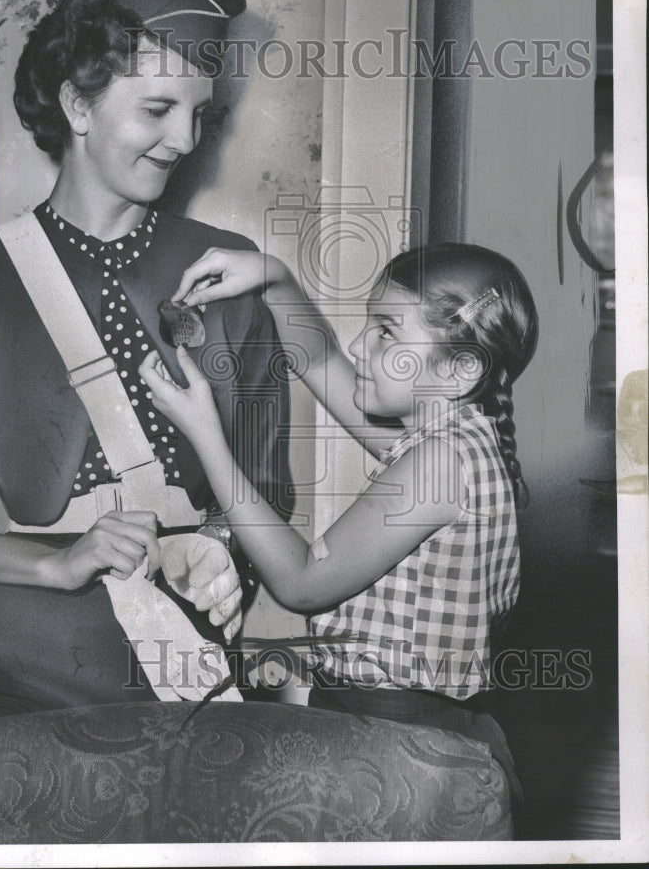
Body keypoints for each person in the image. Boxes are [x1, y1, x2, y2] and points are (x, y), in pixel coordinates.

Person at [0, 0, 294, 726]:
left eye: (201, 114)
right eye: (158, 108)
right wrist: (57, 564)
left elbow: (267, 483)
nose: (184, 139)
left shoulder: (228, 275)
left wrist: (224, 554)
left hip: (185, 674)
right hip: (21, 677)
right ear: (78, 103)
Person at [140, 241, 538, 803]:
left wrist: (207, 434)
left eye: (386, 333)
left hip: (395, 750)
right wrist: (275, 278)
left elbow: (301, 582)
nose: (360, 344)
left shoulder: (439, 464)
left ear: (460, 369)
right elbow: (323, 358)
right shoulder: (453, 436)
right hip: (399, 729)